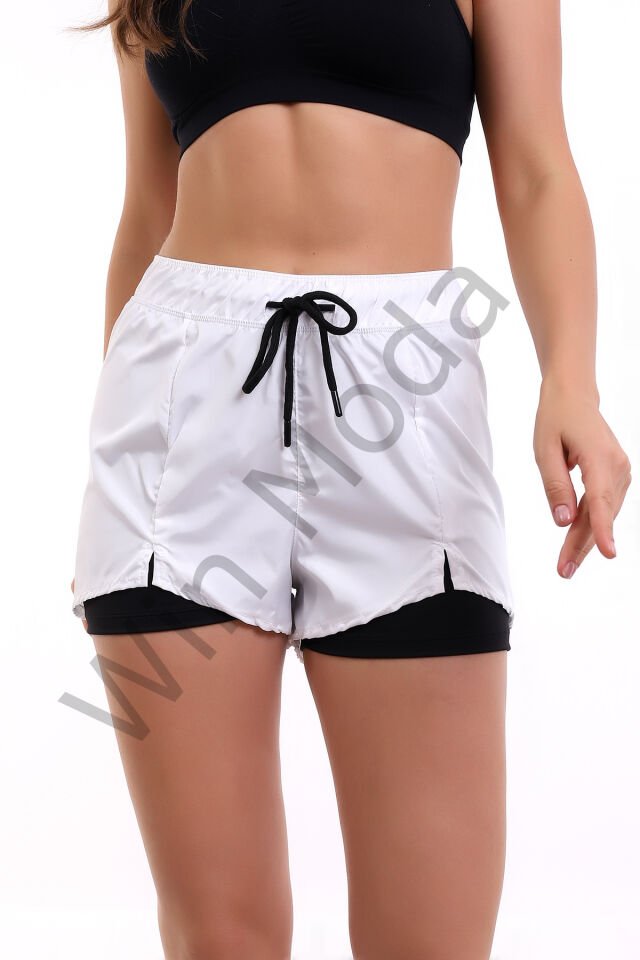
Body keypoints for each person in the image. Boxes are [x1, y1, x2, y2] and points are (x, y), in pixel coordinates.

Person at [68, 1, 632, 957]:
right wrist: (117, 467)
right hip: (179, 401)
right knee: (219, 937)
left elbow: (537, 168)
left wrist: (571, 378)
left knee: (431, 939)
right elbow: (146, 209)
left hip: (403, 391)